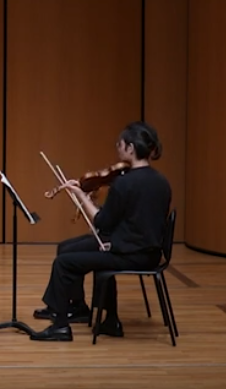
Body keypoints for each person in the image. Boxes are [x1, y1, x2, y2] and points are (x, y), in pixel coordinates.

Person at [29, 121, 172, 342]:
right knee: (67, 248)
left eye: (120, 145)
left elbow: (102, 223)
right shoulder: (162, 182)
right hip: (149, 252)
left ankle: (60, 326)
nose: (118, 149)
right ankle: (101, 317)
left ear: (131, 148)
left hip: (129, 253)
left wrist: (81, 196)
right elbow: (133, 219)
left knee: (63, 263)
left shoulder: (124, 183)